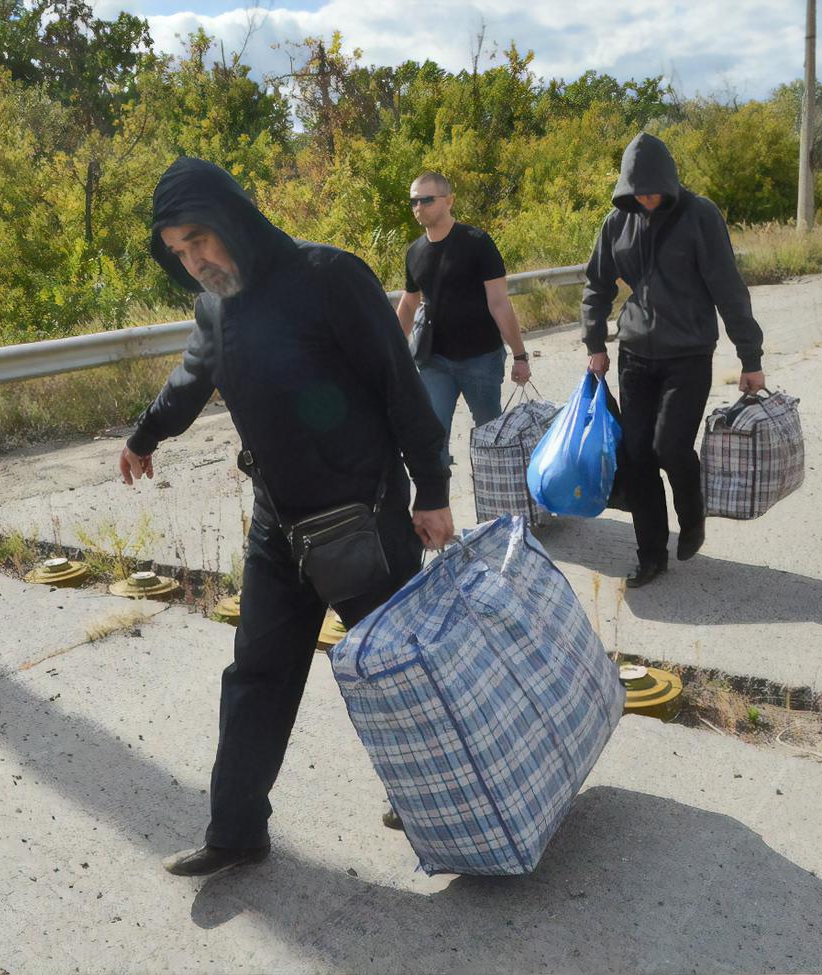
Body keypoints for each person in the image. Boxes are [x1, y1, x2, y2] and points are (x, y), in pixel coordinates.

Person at [118, 158, 454, 877]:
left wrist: (431, 490)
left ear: (233, 218)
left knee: (398, 671)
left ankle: (445, 799)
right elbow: (190, 378)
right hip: (280, 528)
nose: (193, 261)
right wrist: (144, 436)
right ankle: (237, 831)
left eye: (198, 240)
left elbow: (400, 387)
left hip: (364, 519)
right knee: (256, 674)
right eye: (177, 251)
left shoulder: (328, 278)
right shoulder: (215, 306)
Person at [582, 132, 764, 589]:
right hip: (634, 356)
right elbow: (596, 285)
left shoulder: (700, 215)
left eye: (653, 190)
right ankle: (650, 556)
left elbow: (728, 288)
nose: (646, 198)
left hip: (688, 355)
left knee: (669, 447)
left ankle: (692, 511)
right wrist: (595, 343)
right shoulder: (616, 223)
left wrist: (750, 357)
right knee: (637, 456)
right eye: (637, 191)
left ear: (668, 180)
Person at [395, 171, 530, 466]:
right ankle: (437, 494)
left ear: (449, 201)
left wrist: (520, 356)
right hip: (434, 362)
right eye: (414, 201)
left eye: (426, 200)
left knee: (490, 437)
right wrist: (392, 351)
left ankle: (494, 492)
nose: (419, 207)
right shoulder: (414, 252)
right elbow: (409, 303)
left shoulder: (477, 243)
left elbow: (499, 303)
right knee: (433, 438)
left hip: (480, 359)